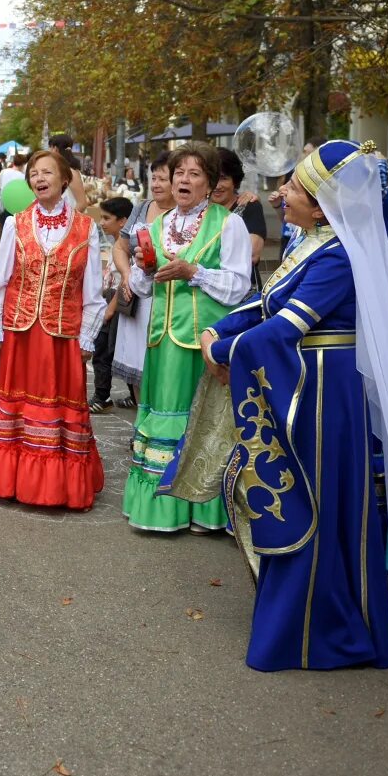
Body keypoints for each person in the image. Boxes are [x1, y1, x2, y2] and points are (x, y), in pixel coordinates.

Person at [200, 141, 388, 676]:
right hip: (306, 384)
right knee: (301, 494)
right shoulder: (314, 241)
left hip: (322, 392)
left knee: (312, 500)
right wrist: (222, 327)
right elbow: (265, 301)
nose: (280, 192)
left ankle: (325, 632)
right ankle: (304, 624)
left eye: (293, 187)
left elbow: (286, 327)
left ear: (321, 204)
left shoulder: (339, 253)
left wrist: (222, 350)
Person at [123, 143, 251, 532]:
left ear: (210, 184)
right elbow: (139, 287)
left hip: (206, 343)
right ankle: (164, 506)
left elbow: (239, 286)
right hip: (163, 341)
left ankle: (205, 508)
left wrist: (194, 271)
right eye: (179, 172)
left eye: (195, 174)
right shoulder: (155, 227)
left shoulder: (229, 224)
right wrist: (144, 272)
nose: (184, 179)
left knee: (204, 421)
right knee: (165, 418)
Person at [0, 149, 107, 509]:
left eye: (47, 172)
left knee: (57, 411)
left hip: (62, 337)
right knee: (19, 410)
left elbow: (92, 289)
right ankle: (12, 482)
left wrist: (87, 336)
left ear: (64, 179)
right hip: (21, 334)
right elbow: (1, 280)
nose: (39, 179)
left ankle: (56, 487)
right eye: (34, 173)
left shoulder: (86, 228)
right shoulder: (14, 224)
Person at [112, 152, 173, 409]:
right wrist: (126, 276)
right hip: (138, 299)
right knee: (137, 364)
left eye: (163, 179)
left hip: (168, 302)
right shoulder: (141, 208)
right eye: (153, 178)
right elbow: (119, 247)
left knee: (164, 368)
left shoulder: (187, 217)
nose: (156, 184)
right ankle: (141, 424)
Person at [90, 197, 135, 413]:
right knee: (118, 350)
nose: (102, 222)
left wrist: (110, 308)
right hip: (112, 300)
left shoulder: (129, 246)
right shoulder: (116, 242)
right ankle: (131, 395)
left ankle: (102, 397)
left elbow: (126, 280)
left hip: (120, 303)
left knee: (105, 351)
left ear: (123, 221)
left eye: (107, 218)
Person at [212, 147, 267, 288]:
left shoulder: (249, 206)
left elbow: (252, 254)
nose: (217, 186)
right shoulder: (199, 208)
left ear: (234, 180)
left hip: (242, 292)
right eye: (213, 179)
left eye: (224, 178)